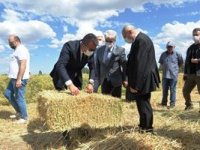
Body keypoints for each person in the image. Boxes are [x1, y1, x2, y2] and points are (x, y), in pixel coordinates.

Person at [122, 24, 160, 133]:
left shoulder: (141, 40)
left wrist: (136, 85)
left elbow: (140, 64)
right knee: (141, 103)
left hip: (143, 79)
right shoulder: (139, 40)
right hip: (143, 78)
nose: (126, 39)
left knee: (144, 104)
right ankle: (143, 126)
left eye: (125, 36)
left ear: (129, 32)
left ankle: (147, 128)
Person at [4, 35, 30, 124]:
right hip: (13, 78)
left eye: (10, 43)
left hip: (19, 79)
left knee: (19, 98)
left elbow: (23, 64)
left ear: (16, 41)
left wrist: (19, 79)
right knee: (7, 94)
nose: (9, 44)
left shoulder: (21, 49)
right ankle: (19, 112)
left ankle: (24, 117)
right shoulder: (16, 50)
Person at [95, 30, 127, 98]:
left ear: (115, 40)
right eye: (107, 40)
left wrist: (125, 79)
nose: (109, 42)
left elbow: (124, 66)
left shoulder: (120, 50)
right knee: (105, 103)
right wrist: (96, 82)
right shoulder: (99, 50)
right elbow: (97, 66)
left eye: (111, 40)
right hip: (104, 81)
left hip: (116, 82)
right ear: (105, 39)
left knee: (116, 103)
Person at [159, 41, 183, 108]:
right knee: (164, 90)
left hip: (173, 76)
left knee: (173, 90)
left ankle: (172, 104)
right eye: (168, 47)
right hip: (165, 76)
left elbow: (181, 63)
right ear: (166, 47)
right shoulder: (163, 54)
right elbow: (161, 63)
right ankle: (164, 104)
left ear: (174, 47)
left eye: (171, 47)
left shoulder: (178, 54)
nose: (169, 48)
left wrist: (174, 70)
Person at [183, 28, 200, 110]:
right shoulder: (190, 48)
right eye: (193, 35)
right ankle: (189, 105)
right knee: (185, 91)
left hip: (199, 73)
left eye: (197, 35)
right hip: (190, 74)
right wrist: (185, 73)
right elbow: (186, 61)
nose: (195, 36)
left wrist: (198, 61)